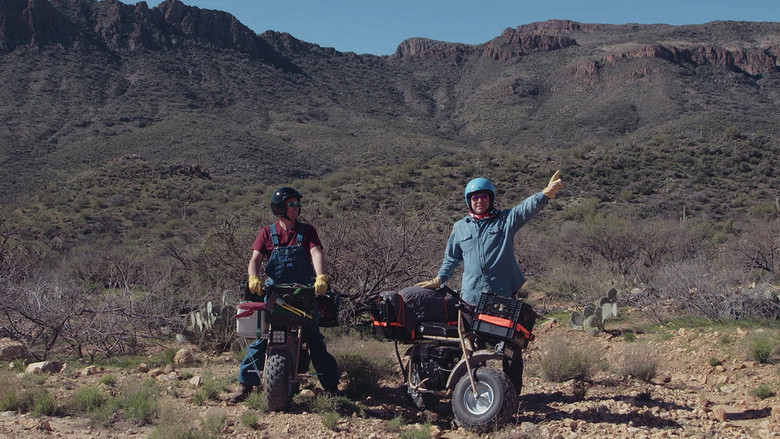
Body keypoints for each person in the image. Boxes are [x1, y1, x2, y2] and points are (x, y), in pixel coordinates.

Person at [416, 171, 562, 391]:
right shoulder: (460, 227)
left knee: (510, 349)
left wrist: (544, 195)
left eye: (484, 197)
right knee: (471, 350)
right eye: (474, 197)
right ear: (468, 200)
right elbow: (452, 257)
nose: (479, 201)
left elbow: (525, 209)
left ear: (491, 199)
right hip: (470, 300)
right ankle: (478, 392)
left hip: (501, 298)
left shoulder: (505, 220)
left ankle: (512, 395)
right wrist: (440, 278)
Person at [229, 187, 339, 403]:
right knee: (262, 338)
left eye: (297, 204)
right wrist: (253, 278)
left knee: (313, 337)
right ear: (280, 208)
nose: (296, 208)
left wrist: (321, 277)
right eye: (291, 204)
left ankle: (332, 387)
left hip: (303, 293)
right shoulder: (267, 232)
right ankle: (246, 384)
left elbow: (316, 252)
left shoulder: (307, 231)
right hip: (274, 294)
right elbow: (255, 259)